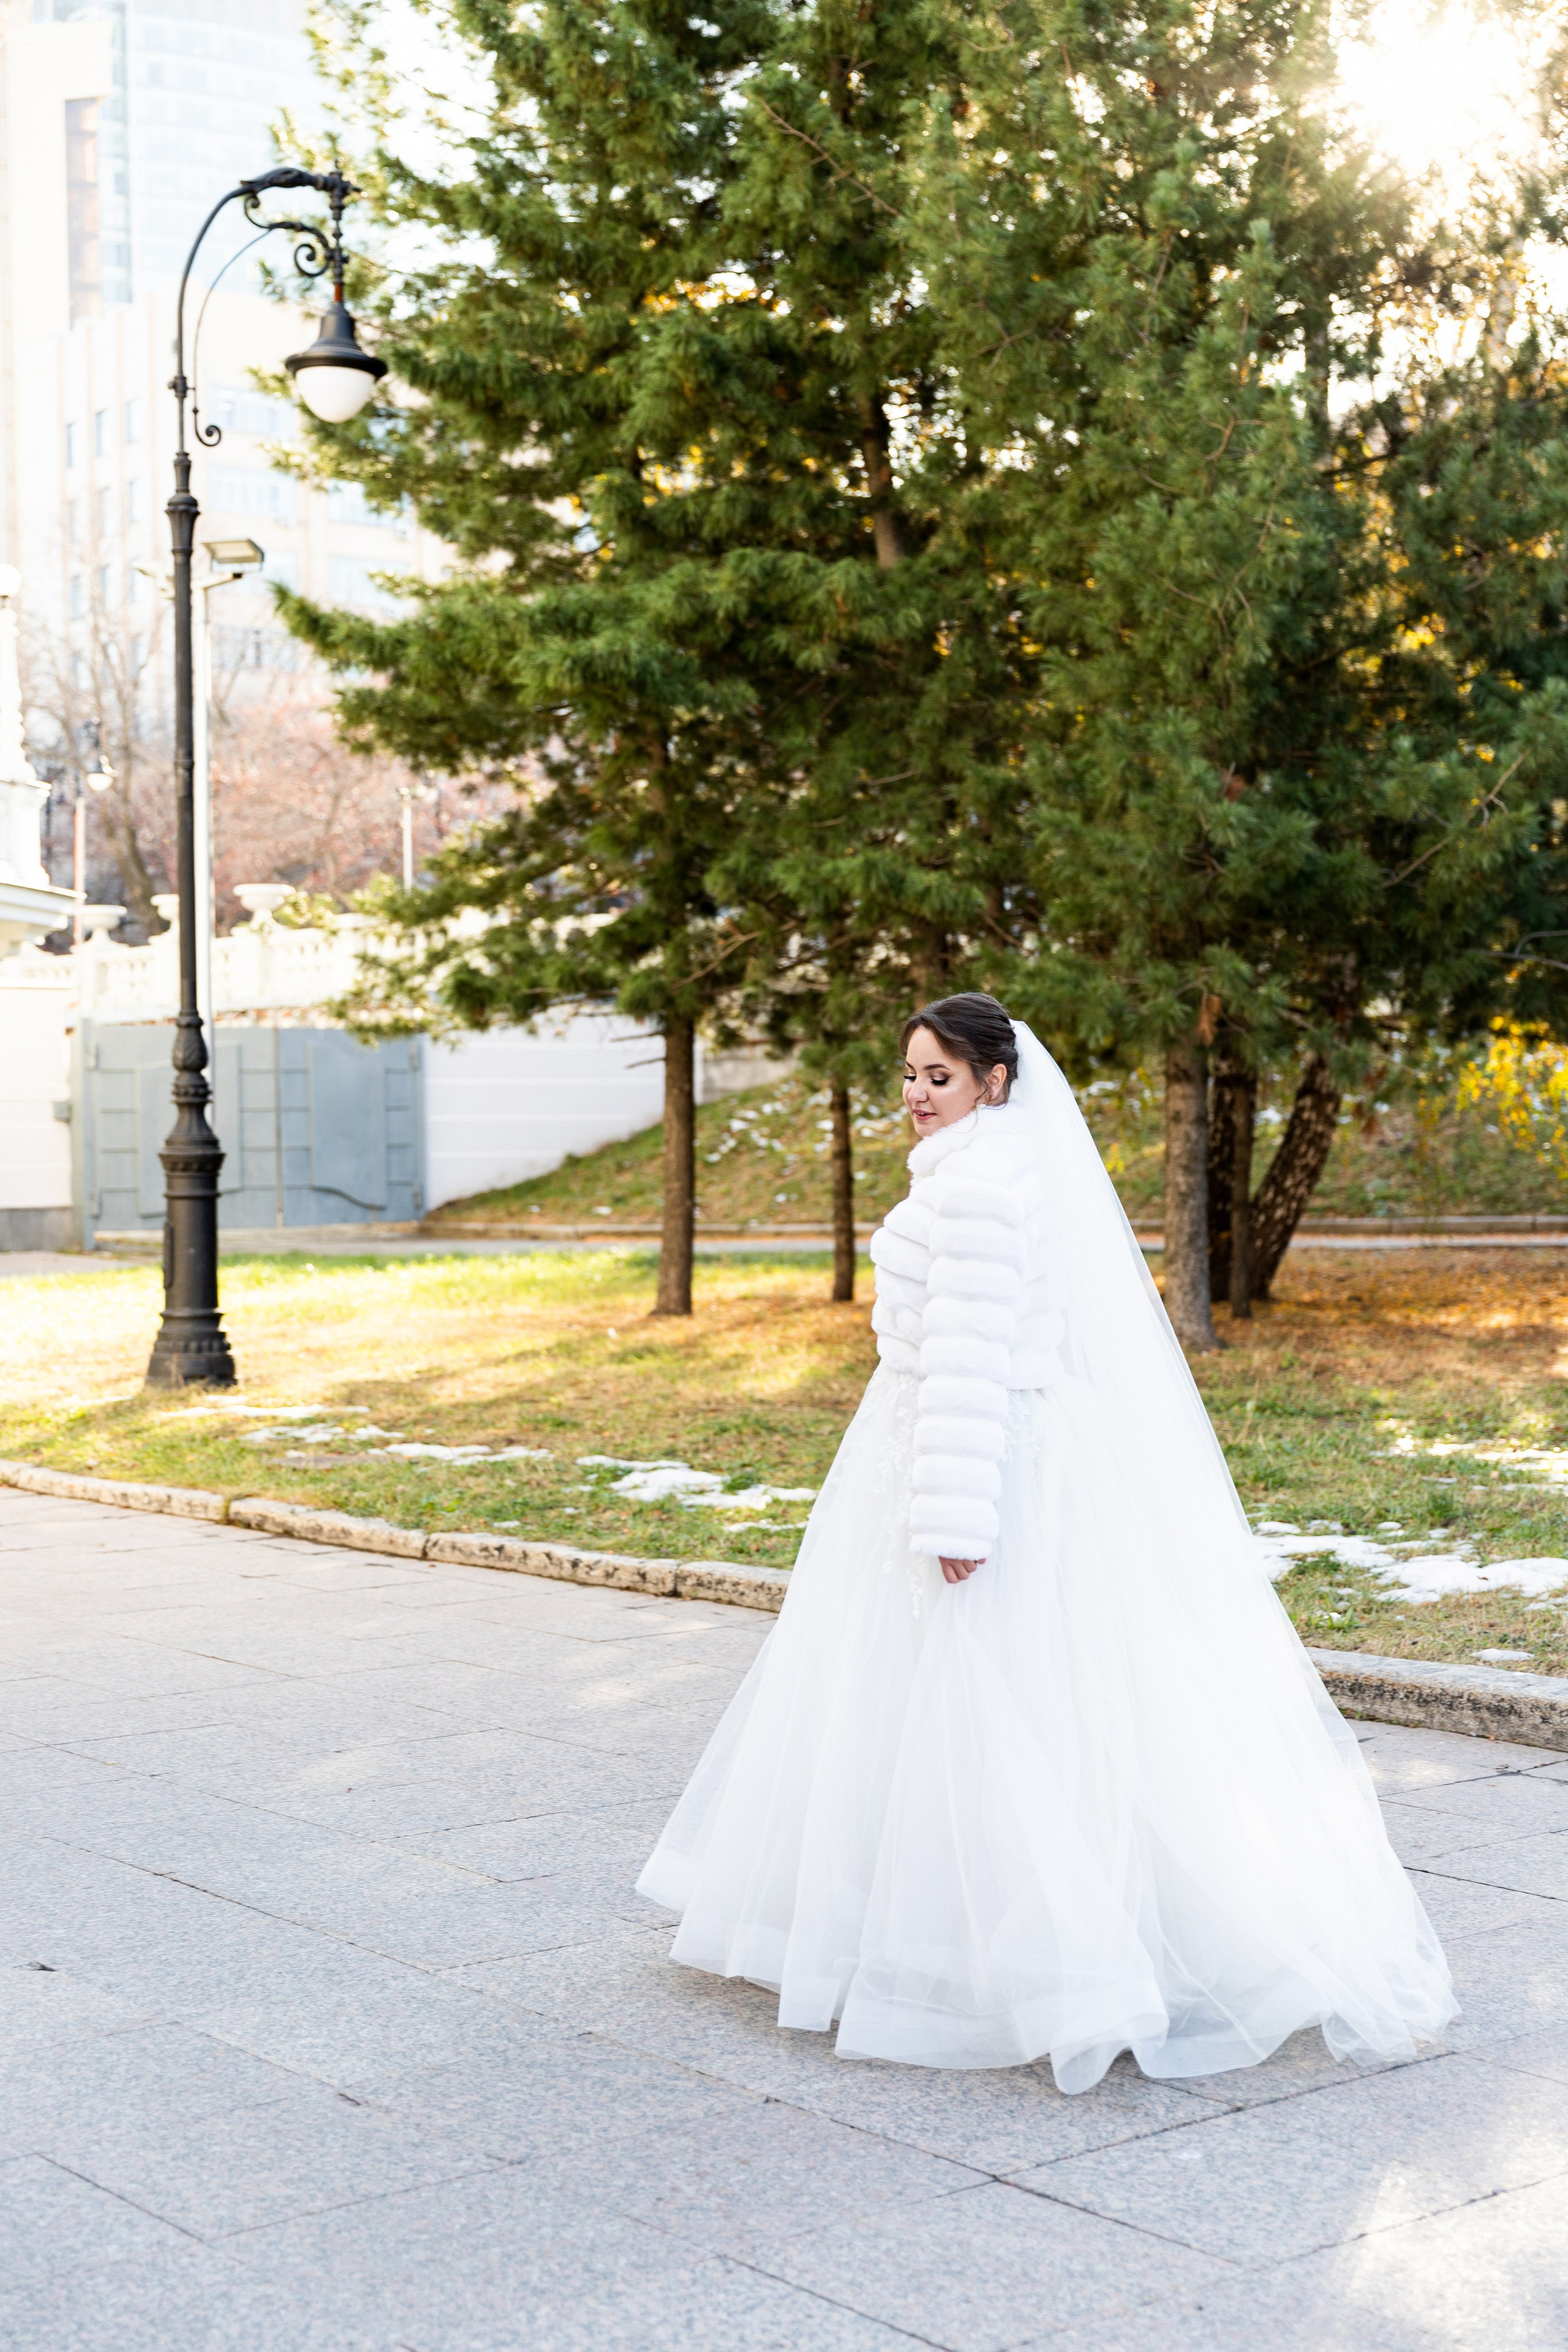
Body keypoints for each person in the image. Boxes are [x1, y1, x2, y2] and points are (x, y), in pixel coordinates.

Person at [637, 994, 1455, 2090]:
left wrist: (955, 1519)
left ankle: (1021, 1954)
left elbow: (971, 1362)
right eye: (912, 1075)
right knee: (958, 1704)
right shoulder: (989, 1173)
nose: (918, 1094)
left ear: (995, 1082)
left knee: (988, 1699)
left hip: (975, 1462)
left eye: (941, 1076)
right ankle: (948, 1929)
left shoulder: (980, 1190)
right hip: (955, 1445)